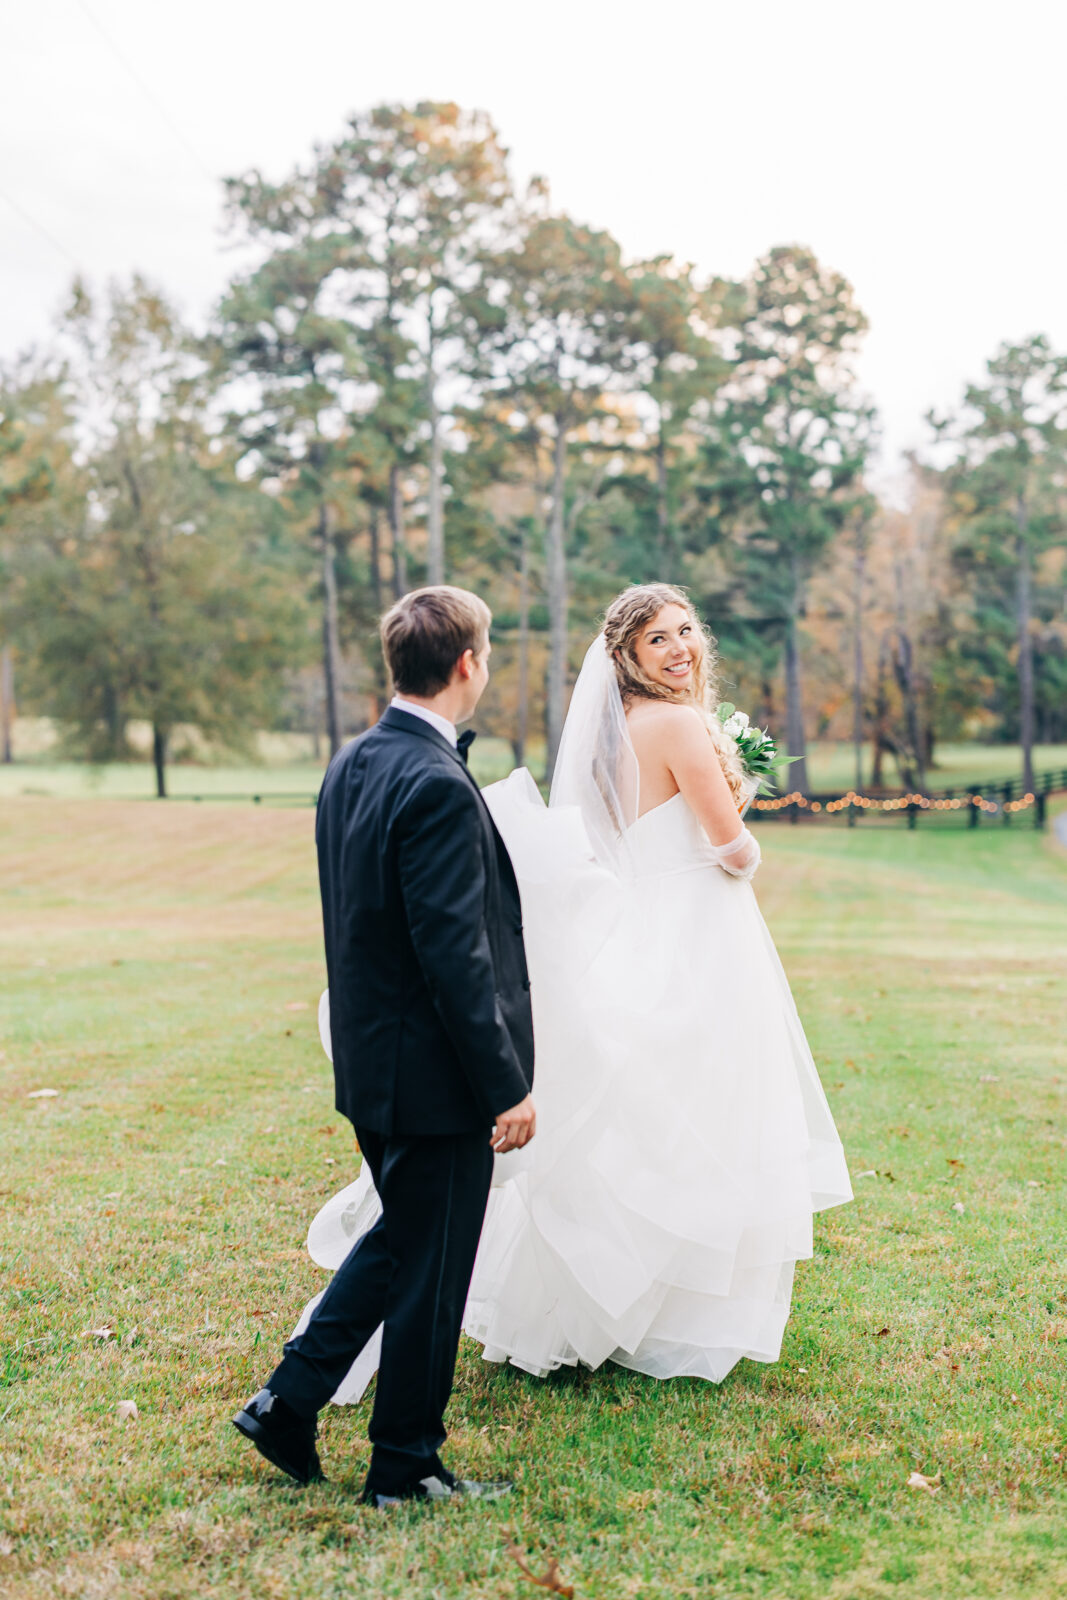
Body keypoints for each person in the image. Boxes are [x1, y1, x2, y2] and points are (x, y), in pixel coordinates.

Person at [304, 581, 851, 1395]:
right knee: (700, 1117)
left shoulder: (617, 730)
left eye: (684, 633)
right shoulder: (677, 723)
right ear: (624, 656)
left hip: (633, 923)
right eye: (657, 639)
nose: (678, 649)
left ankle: (605, 1309)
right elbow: (731, 851)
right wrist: (741, 813)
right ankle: (666, 1318)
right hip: (694, 934)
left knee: (644, 1119)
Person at [233, 586, 536, 1506]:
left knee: (402, 1242)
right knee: (432, 1270)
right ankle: (403, 1466)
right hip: (437, 1075)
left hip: (372, 1061)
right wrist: (504, 1085)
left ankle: (287, 1402)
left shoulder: (353, 761)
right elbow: (454, 955)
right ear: (468, 665)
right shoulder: (438, 784)